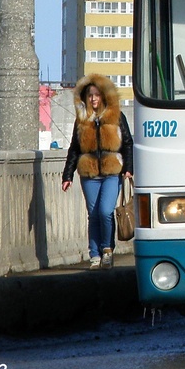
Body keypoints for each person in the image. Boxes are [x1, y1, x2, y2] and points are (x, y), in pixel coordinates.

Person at [61, 73, 133, 269]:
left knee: (105, 211)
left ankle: (107, 250)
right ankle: (94, 254)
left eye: (97, 95)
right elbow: (74, 148)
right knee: (92, 214)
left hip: (111, 172)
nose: (93, 99)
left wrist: (128, 168)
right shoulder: (82, 120)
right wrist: (67, 175)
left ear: (104, 97)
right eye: (90, 95)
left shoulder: (116, 117)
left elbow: (127, 143)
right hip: (89, 174)